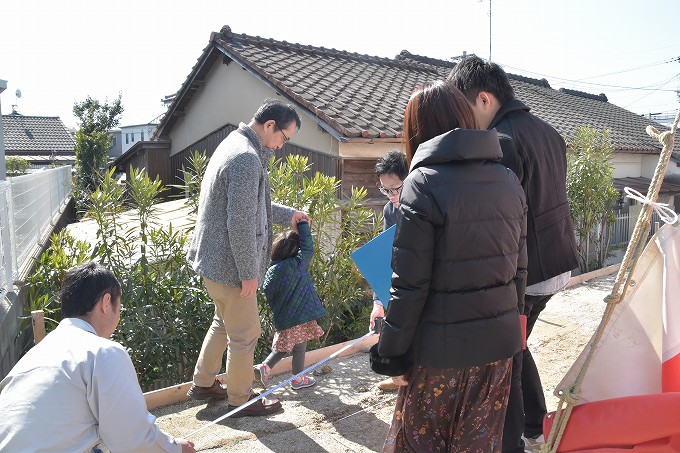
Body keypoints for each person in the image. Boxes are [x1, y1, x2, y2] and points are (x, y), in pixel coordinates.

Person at [370, 80, 528, 452]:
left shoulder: (421, 184)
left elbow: (409, 286)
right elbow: (519, 272)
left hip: (440, 356)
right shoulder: (507, 179)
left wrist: (391, 353)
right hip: (498, 352)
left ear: (416, 131)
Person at [448, 56, 579, 452]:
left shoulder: (502, 140)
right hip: (559, 261)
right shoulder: (549, 131)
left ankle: (524, 436)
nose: (467, 122)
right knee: (516, 348)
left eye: (465, 109)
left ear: (484, 99)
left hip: (529, 270)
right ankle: (536, 425)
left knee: (506, 356)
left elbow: (502, 219)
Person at [186, 99, 310, 416]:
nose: (282, 145)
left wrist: (288, 215)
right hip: (231, 265)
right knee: (246, 334)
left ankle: (203, 383)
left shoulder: (234, 144)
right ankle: (240, 399)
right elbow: (239, 223)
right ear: (269, 125)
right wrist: (248, 273)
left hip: (214, 262)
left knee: (224, 323)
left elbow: (247, 208)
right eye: (284, 136)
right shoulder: (246, 158)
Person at [0, 262, 195, 453]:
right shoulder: (102, 352)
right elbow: (133, 441)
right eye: (119, 306)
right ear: (106, 302)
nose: (119, 313)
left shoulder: (31, 357)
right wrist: (175, 448)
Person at [254, 220, 326, 390]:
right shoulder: (297, 264)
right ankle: (270, 369)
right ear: (295, 250)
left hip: (284, 317)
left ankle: (287, 375)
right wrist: (302, 225)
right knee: (294, 347)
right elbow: (308, 248)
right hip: (299, 315)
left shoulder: (272, 271)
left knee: (291, 345)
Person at [370, 149, 409, 392]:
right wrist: (378, 301)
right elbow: (387, 254)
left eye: (395, 188)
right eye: (385, 190)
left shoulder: (424, 205)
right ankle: (398, 378)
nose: (391, 195)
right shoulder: (390, 210)